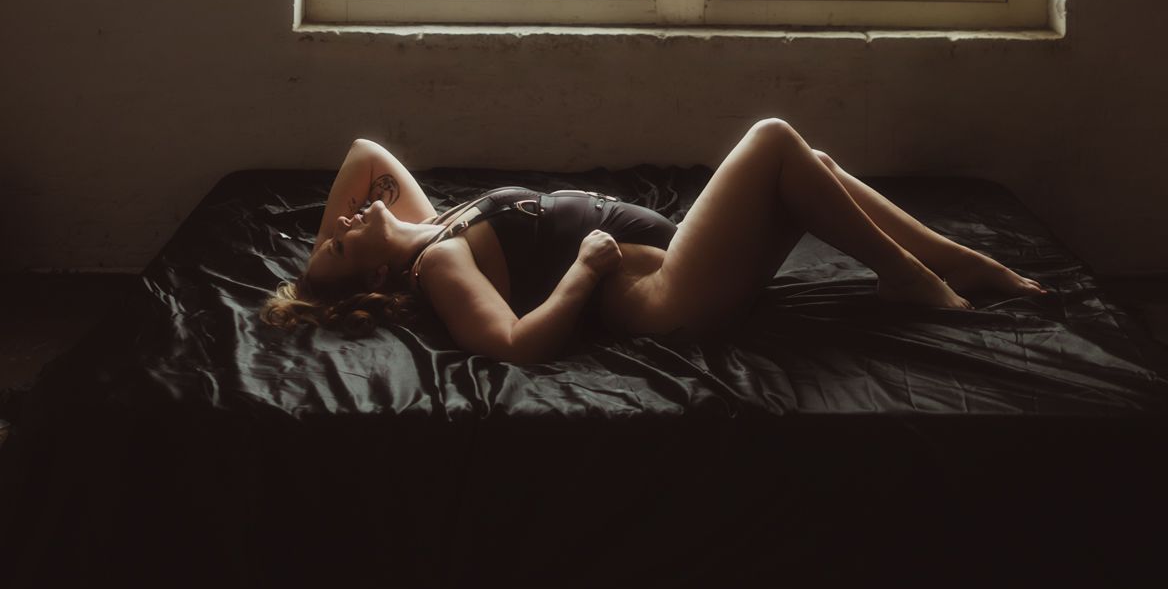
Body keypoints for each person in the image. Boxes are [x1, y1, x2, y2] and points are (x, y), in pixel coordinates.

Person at [261, 119, 1049, 362]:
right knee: (774, 140)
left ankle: (961, 263)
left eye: (329, 229)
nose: (336, 226)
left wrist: (332, 259)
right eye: (335, 242)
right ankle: (912, 278)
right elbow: (510, 346)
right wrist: (583, 271)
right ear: (370, 280)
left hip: (673, 269)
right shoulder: (435, 261)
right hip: (664, 298)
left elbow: (365, 153)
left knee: (818, 166)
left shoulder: (428, 223)